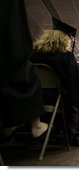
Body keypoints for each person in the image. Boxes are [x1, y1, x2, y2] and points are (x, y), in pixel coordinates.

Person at [29, 17, 79, 144]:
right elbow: (73, 85)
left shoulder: (32, 55)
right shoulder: (67, 57)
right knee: (72, 110)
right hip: (55, 99)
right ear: (65, 40)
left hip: (31, 96)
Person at [0, 0, 48, 143]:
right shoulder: (67, 58)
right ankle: (34, 124)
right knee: (27, 71)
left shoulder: (37, 56)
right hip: (47, 99)